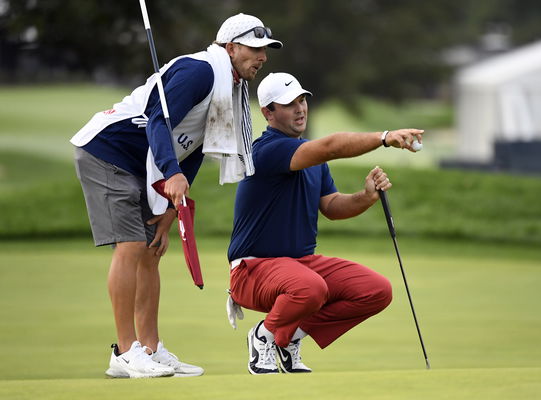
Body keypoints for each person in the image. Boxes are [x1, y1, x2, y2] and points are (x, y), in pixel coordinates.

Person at [70, 13, 282, 379]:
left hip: (143, 163)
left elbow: (197, 148)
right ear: (230, 47)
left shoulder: (230, 87)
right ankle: (124, 354)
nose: (261, 57)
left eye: (265, 50)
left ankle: (150, 349)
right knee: (132, 246)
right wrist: (172, 174)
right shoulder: (199, 72)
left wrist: (173, 206)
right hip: (107, 150)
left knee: (151, 251)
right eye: (254, 48)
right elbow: (157, 121)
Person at [226, 72, 424, 374]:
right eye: (289, 104)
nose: (300, 108)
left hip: (300, 265)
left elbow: (331, 206)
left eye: (302, 100)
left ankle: (289, 337)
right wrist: (383, 138)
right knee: (310, 287)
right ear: (268, 112)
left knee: (375, 290)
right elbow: (330, 146)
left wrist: (366, 196)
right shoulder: (268, 150)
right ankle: (263, 336)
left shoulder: (311, 160)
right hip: (253, 269)